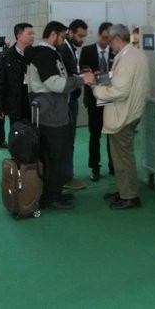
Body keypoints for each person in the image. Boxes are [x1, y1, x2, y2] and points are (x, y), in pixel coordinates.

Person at [27, 20, 95, 209]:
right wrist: (81, 80)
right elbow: (55, 84)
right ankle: (51, 197)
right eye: (63, 37)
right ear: (53, 35)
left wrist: (77, 78)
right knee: (54, 156)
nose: (64, 41)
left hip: (54, 112)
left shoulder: (49, 53)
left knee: (58, 155)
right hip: (50, 115)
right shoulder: (43, 54)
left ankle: (54, 193)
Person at [91, 24, 150, 210]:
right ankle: (123, 190)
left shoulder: (128, 58)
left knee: (123, 158)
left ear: (116, 39)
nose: (109, 45)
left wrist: (96, 88)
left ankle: (129, 196)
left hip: (124, 115)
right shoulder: (134, 55)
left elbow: (120, 91)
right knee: (120, 157)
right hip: (128, 112)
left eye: (109, 41)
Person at [79, 21, 115, 181]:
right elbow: (82, 71)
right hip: (94, 99)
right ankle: (95, 167)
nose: (108, 41)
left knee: (112, 134)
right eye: (105, 37)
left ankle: (114, 165)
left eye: (110, 38)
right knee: (94, 135)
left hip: (112, 98)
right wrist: (93, 75)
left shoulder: (115, 52)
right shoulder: (87, 51)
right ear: (99, 34)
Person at [58, 19, 89, 190]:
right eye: (79, 36)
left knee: (68, 140)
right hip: (67, 101)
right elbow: (67, 77)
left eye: (84, 36)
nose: (82, 39)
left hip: (71, 100)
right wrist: (83, 78)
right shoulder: (64, 49)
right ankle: (66, 177)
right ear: (69, 32)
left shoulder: (70, 48)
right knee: (67, 140)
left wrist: (81, 74)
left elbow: (72, 73)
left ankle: (65, 175)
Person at [0, 23, 35, 127]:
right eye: (29, 33)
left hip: (34, 102)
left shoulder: (36, 54)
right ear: (19, 36)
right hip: (15, 103)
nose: (33, 36)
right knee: (17, 132)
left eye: (33, 33)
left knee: (35, 133)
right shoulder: (6, 56)